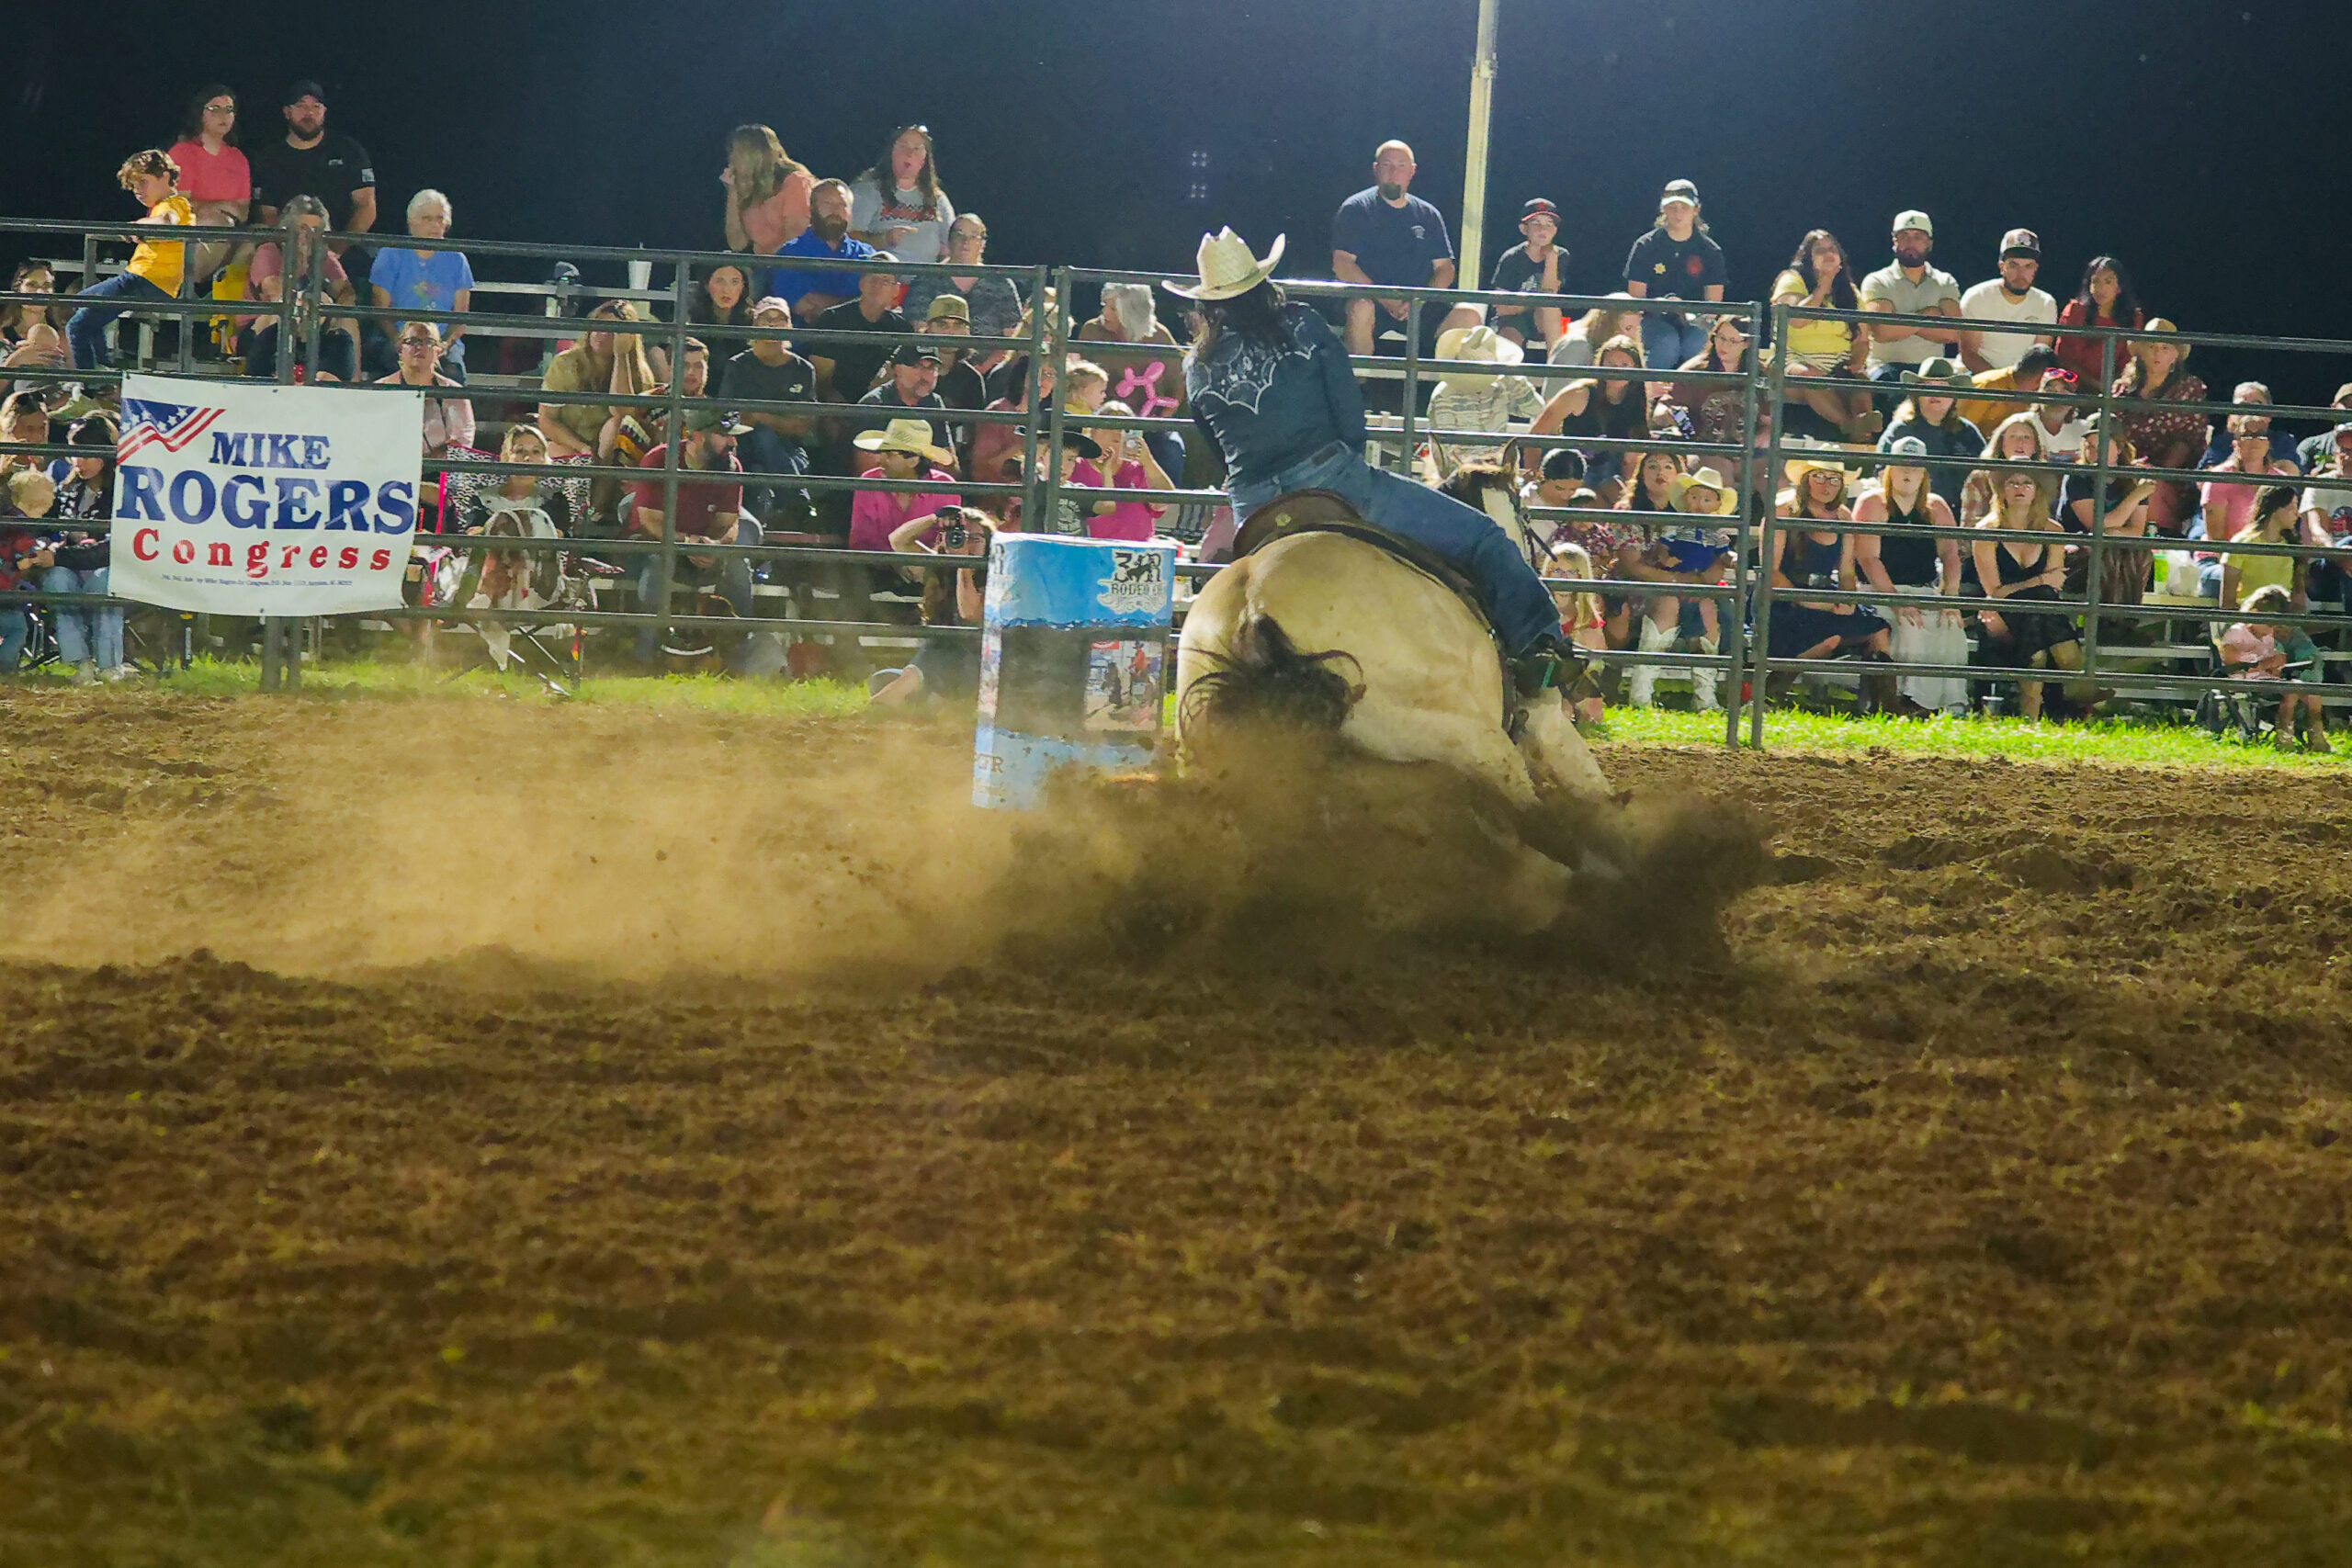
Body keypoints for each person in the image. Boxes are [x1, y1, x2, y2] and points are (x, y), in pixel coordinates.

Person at [1169, 228, 1566, 682]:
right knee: (1483, 538)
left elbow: (1219, 451)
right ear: (1262, 286)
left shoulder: (1196, 364)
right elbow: (1348, 411)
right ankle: (1542, 648)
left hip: (1254, 508)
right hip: (1331, 479)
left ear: (1207, 305)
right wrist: (1348, 462)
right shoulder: (1300, 325)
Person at [628, 407, 759, 668]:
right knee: (657, 566)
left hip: (701, 546)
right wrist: (687, 542)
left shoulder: (730, 466)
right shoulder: (659, 460)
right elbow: (650, 522)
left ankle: (738, 659)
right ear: (698, 436)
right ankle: (645, 656)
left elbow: (728, 521)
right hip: (655, 544)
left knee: (738, 568)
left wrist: (714, 547)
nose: (733, 442)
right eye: (724, 435)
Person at [1769, 446, 1896, 706]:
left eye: (1834, 479)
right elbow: (1771, 571)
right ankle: (1769, 696)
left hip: (1827, 595)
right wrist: (1811, 602)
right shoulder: (1782, 511)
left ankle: (1887, 708)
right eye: (1819, 477)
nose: (1827, 485)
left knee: (1878, 630)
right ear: (1805, 479)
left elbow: (1847, 571)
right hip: (1784, 599)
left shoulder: (1843, 516)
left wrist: (1847, 599)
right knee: (1828, 639)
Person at [1853, 436, 1969, 716]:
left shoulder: (1936, 507)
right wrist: (1896, 601)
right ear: (1889, 469)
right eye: (1902, 465)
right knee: (1909, 625)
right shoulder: (1872, 503)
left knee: (1951, 626)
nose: (1908, 472)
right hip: (1879, 591)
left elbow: (1950, 554)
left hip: (1923, 589)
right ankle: (1910, 701)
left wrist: (1950, 596)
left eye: (1915, 466)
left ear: (1924, 472)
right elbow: (1869, 559)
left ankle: (1952, 704)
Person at [1330, 141, 1472, 359]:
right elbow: (1342, 264)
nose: (1393, 172)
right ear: (1375, 169)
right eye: (1387, 165)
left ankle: (1441, 379)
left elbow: (1445, 268)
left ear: (1412, 171)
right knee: (1361, 308)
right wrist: (1384, 297)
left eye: (1401, 166)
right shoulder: (1356, 209)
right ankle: (1358, 377)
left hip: (1418, 304)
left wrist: (1419, 300)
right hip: (1372, 300)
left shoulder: (1428, 214)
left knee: (1468, 316)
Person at [1973, 463, 2083, 720]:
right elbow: (1995, 594)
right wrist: (2038, 580)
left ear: (2037, 491)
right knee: (2040, 607)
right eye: (2012, 483)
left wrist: (2038, 584)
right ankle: (2080, 686)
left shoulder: (2053, 531)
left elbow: (2053, 586)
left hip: (2040, 616)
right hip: (2001, 615)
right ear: (2002, 491)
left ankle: (2030, 718)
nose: (2019, 488)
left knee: (2038, 621)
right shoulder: (1987, 532)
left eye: (2026, 483)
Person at [67, 150, 194, 370]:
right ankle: (102, 369)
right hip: (145, 280)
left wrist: (137, 226)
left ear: (165, 176)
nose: (138, 191)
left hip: (145, 279)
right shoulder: (165, 207)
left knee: (77, 326)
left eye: (143, 182)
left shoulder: (175, 203)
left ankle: (91, 379)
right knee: (82, 304)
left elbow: (167, 222)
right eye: (134, 186)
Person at [248, 81, 376, 277]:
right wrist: (294, 253)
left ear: (324, 112)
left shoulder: (349, 151)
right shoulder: (269, 159)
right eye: (301, 106)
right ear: (287, 112)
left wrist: (336, 250)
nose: (309, 113)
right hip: (286, 251)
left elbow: (366, 206)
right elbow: (267, 214)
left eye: (316, 106)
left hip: (343, 250)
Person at [868, 507, 990, 707]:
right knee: (881, 679)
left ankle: (906, 695)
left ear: (988, 545)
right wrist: (935, 518)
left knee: (940, 644)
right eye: (960, 536)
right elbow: (898, 540)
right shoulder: (939, 567)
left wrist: (964, 564)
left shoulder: (994, 578)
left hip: (976, 667)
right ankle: (935, 702)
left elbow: (969, 613)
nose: (966, 543)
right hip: (940, 667)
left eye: (975, 539)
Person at [1769, 230, 1879, 442]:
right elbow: (1796, 320)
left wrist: (1857, 362)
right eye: (1820, 250)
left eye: (1832, 249)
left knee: (1859, 380)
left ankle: (1863, 435)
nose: (1828, 254)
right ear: (1807, 258)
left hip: (1837, 366)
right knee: (1809, 377)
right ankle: (1850, 425)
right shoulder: (1791, 280)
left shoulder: (1850, 292)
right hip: (1794, 364)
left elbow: (1862, 340)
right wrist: (1823, 286)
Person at [238, 195, 359, 381]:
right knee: (282, 309)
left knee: (348, 317)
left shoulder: (323, 254)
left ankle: (352, 385)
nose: (307, 235)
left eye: (315, 230)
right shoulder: (269, 250)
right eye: (302, 228)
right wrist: (300, 261)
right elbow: (275, 290)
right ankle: (272, 376)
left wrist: (334, 310)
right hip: (260, 327)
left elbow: (347, 291)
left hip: (310, 321)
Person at [719, 297, 819, 526]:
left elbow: (803, 426)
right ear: (755, 325)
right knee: (761, 441)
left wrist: (759, 416)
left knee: (765, 450)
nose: (773, 325)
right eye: (766, 319)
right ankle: (798, 501)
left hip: (791, 452)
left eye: (780, 319)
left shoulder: (803, 369)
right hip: (745, 446)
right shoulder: (738, 366)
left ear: (789, 326)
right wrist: (777, 421)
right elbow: (727, 420)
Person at [1075, 282, 1187, 479]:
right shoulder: (1092, 331)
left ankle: (1161, 497)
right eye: (1104, 305)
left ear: (1132, 312)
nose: (1104, 313)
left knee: (1171, 450)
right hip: (1101, 421)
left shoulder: (1159, 337)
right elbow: (1077, 380)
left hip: (1149, 425)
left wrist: (1160, 421)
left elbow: (1178, 386)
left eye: (1112, 309)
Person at [2111, 320, 2209, 533]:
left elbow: (2187, 441)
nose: (2157, 353)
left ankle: (2158, 538)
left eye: (2165, 347)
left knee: (2150, 485)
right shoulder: (2122, 388)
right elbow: (2113, 431)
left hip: (2172, 474)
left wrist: (2157, 472)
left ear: (2175, 355)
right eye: (2151, 346)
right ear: (2140, 352)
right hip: (2124, 467)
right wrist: (2128, 466)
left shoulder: (2189, 388)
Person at [1531, 334, 1652, 505]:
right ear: (1600, 365)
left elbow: (1630, 461)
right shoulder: (1579, 393)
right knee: (1591, 501)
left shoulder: (1636, 403)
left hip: (1609, 470)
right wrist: (1533, 475)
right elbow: (1537, 432)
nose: (1616, 371)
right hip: (1570, 468)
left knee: (1622, 502)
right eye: (1611, 364)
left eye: (1624, 365)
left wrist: (1629, 494)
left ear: (1636, 368)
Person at [1620, 178, 1725, 373]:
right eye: (1672, 207)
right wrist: (1662, 306)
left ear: (1696, 210)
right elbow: (1635, 299)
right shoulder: (1645, 245)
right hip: (1651, 320)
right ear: (1663, 209)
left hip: (1695, 322)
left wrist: (1687, 312)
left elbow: (1713, 305)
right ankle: (1649, 388)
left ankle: (1692, 389)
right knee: (1666, 342)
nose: (1678, 213)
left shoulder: (1710, 251)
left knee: (1697, 343)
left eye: (1684, 207)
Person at [2061, 417, 2160, 613]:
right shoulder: (2077, 477)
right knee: (2107, 553)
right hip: (2080, 552)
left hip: (2119, 550)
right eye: (2089, 446)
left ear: (2119, 447)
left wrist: (2113, 532)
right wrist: (2135, 496)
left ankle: (2126, 618)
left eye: (2102, 446)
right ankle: (2106, 620)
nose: (2095, 452)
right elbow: (2098, 526)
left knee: (2140, 554)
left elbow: (2136, 531)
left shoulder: (2131, 478)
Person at [1859, 210, 1962, 393]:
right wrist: (1925, 317)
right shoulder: (1877, 280)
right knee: (1888, 388)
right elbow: (1882, 331)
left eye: (1918, 236)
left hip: (1931, 370)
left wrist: (1900, 323)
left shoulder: (1945, 281)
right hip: (1886, 367)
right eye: (1904, 236)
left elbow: (1953, 333)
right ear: (1894, 241)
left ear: (1929, 243)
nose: (1910, 242)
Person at [902, 214, 1023, 367]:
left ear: (982, 244)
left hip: (988, 371)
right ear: (949, 240)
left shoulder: (1001, 284)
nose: (966, 242)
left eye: (973, 237)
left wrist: (981, 370)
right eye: (960, 235)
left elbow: (1013, 337)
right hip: (932, 366)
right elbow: (918, 329)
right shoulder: (926, 279)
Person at [1425, 324, 1544, 478]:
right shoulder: (1444, 396)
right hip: (1463, 475)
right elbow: (1446, 452)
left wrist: (1516, 381)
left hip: (1497, 471)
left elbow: (1536, 410)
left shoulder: (1500, 386)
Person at [2221, 584, 2327, 751]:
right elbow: (2230, 662)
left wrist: (2277, 664)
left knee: (2312, 692)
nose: (2272, 629)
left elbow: (2275, 659)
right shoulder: (2237, 632)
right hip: (2247, 681)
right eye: (2269, 624)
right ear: (2255, 614)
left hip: (2269, 679)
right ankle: (2284, 735)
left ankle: (2317, 736)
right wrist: (2263, 664)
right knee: (2291, 692)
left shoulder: (2267, 636)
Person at [164, 84, 250, 288]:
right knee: (216, 223)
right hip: (181, 237)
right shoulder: (183, 153)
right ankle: (185, 289)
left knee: (259, 236)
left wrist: (214, 208)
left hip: (227, 235)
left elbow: (243, 211)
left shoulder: (238, 158)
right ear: (200, 114)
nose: (223, 115)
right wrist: (221, 208)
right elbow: (180, 206)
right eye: (215, 109)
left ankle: (225, 297)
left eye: (228, 110)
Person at [1879, 358, 1984, 513]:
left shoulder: (1968, 431)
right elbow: (1881, 470)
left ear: (1953, 395)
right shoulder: (1900, 430)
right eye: (1928, 386)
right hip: (1912, 512)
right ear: (1917, 395)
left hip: (1961, 512)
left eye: (1942, 387)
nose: (1935, 393)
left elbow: (1985, 473)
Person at [2199, 408, 2302, 566]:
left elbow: (2288, 530)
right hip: (2218, 560)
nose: (2254, 440)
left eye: (2260, 434)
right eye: (2247, 435)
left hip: (2267, 562)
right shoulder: (2219, 479)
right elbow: (2216, 538)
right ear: (2235, 444)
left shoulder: (2281, 481)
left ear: (2268, 443)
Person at [847, 418, 961, 552]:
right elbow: (861, 543)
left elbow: (949, 545)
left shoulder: (944, 486)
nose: (879, 459)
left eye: (888, 454)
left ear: (913, 460)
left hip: (927, 564)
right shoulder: (869, 481)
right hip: (876, 565)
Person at [848, 125, 956, 265]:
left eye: (917, 149)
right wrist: (884, 239)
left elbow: (953, 246)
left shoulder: (938, 199)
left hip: (927, 278)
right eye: (903, 147)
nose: (909, 154)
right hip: (880, 275)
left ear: (924, 159)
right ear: (891, 153)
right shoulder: (867, 191)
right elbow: (848, 238)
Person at [772, 181, 876, 322]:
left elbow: (880, 303)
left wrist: (825, 306)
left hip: (858, 335)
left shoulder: (867, 254)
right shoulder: (790, 253)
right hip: (807, 335)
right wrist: (860, 304)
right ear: (811, 208)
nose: (835, 211)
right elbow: (803, 305)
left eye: (843, 205)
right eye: (828, 203)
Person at [808, 262, 910, 406]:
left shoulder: (902, 329)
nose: (877, 285)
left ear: (896, 290)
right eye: (872, 278)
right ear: (861, 283)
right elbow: (822, 379)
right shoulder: (832, 318)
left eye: (885, 281)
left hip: (883, 405)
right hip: (836, 405)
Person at [1957, 228, 2058, 373]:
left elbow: (2039, 358)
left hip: (2022, 380)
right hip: (1977, 376)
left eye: (2028, 266)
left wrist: (2018, 383)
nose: (2021, 273)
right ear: (2001, 266)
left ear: (2035, 268)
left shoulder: (2046, 303)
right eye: (2013, 265)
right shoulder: (1977, 296)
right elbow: (1969, 355)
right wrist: (2001, 383)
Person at [1671, 314, 1755, 480]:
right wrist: (1682, 425)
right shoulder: (1695, 371)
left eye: (1732, 341)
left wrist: (1761, 438)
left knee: (1774, 476)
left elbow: (1769, 422)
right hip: (1705, 449)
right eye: (1721, 338)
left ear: (1747, 343)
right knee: (1720, 473)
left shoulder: (1759, 373)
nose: (1724, 345)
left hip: (1748, 452)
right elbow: (1667, 408)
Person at [458, 423, 577, 537]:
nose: (527, 458)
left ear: (544, 459)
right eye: (519, 451)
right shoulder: (481, 500)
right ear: (506, 456)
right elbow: (473, 536)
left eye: (536, 452)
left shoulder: (555, 501)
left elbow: (560, 540)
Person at [1076, 401, 1174, 542]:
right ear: (1093, 431)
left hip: (1135, 551)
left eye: (1126, 426)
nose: (1118, 431)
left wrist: (1148, 461)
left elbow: (1164, 503)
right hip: (1090, 550)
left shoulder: (1138, 469)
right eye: (1110, 423)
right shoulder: (1076, 466)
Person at [379, 322, 474, 460]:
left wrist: (428, 464)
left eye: (428, 342)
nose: (419, 347)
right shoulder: (379, 389)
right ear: (400, 350)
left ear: (438, 351)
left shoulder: (454, 392)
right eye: (412, 341)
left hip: (439, 470)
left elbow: (462, 440)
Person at [719, 125, 814, 261]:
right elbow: (737, 244)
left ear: (752, 155)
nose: (731, 158)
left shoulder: (795, 182)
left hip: (793, 263)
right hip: (764, 264)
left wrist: (764, 256)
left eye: (735, 152)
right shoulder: (748, 189)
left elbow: (795, 237)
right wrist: (732, 192)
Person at [1488, 198, 1569, 351]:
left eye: (1549, 224)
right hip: (1512, 319)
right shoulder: (1511, 257)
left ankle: (1555, 360)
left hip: (1541, 317)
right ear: (1524, 229)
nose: (1543, 229)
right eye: (1536, 223)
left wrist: (1551, 260)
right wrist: (1532, 303)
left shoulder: (1561, 255)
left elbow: (1550, 293)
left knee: (1550, 307)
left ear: (1555, 230)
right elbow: (1502, 307)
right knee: (1509, 338)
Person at [2052, 256, 2144, 389]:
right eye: (2095, 282)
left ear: (2119, 287)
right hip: (2072, 386)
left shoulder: (2133, 317)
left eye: (2108, 282)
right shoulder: (2075, 311)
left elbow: (2129, 361)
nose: (2101, 288)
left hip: (2114, 389)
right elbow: (2065, 360)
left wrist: (2116, 386)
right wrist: (2099, 387)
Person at [1959, 412, 2053, 530]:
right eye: (2013, 437)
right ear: (2001, 443)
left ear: (2035, 446)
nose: (2020, 442)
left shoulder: (2043, 478)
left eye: (2026, 437)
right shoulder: (1979, 478)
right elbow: (1969, 527)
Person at [2221, 485, 2306, 615]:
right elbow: (2228, 601)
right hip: (2249, 618)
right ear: (2276, 508)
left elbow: (2298, 602)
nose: (2297, 513)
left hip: (2283, 620)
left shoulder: (2293, 546)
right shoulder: (2243, 543)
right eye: (2292, 506)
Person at [1955, 343, 2064, 440]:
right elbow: (1960, 432)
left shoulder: (2034, 398)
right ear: (2039, 380)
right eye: (2047, 383)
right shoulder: (1989, 387)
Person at [856, 343, 950, 452]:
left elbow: (947, 457)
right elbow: (865, 459)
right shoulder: (875, 404)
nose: (926, 376)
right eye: (917, 367)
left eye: (932, 368)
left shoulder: (934, 402)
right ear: (898, 369)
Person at [2, 261, 66, 378]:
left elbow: (77, 383)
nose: (40, 292)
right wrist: (15, 361)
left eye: (46, 286)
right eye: (32, 285)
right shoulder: (1, 334)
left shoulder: (63, 337)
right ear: (18, 289)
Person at [687, 261, 757, 364]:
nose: (726, 290)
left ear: (743, 287)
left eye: (734, 282)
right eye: (719, 281)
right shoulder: (690, 319)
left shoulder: (755, 321)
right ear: (706, 285)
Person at [1547, 293, 1639, 369]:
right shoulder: (1577, 346)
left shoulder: (1625, 353)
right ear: (1606, 324)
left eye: (1638, 329)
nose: (1633, 336)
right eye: (1628, 328)